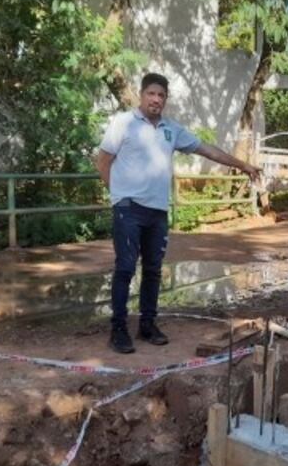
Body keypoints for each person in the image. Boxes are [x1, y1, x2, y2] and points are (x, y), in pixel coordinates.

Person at [96, 72, 261, 354]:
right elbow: (103, 160)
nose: (156, 99)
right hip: (128, 209)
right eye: (151, 94)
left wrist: (243, 165)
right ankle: (119, 329)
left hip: (157, 212)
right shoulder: (123, 123)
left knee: (153, 270)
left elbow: (207, 150)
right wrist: (118, 196)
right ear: (142, 94)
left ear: (165, 100)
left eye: (161, 95)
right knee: (125, 268)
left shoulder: (172, 130)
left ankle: (147, 325)